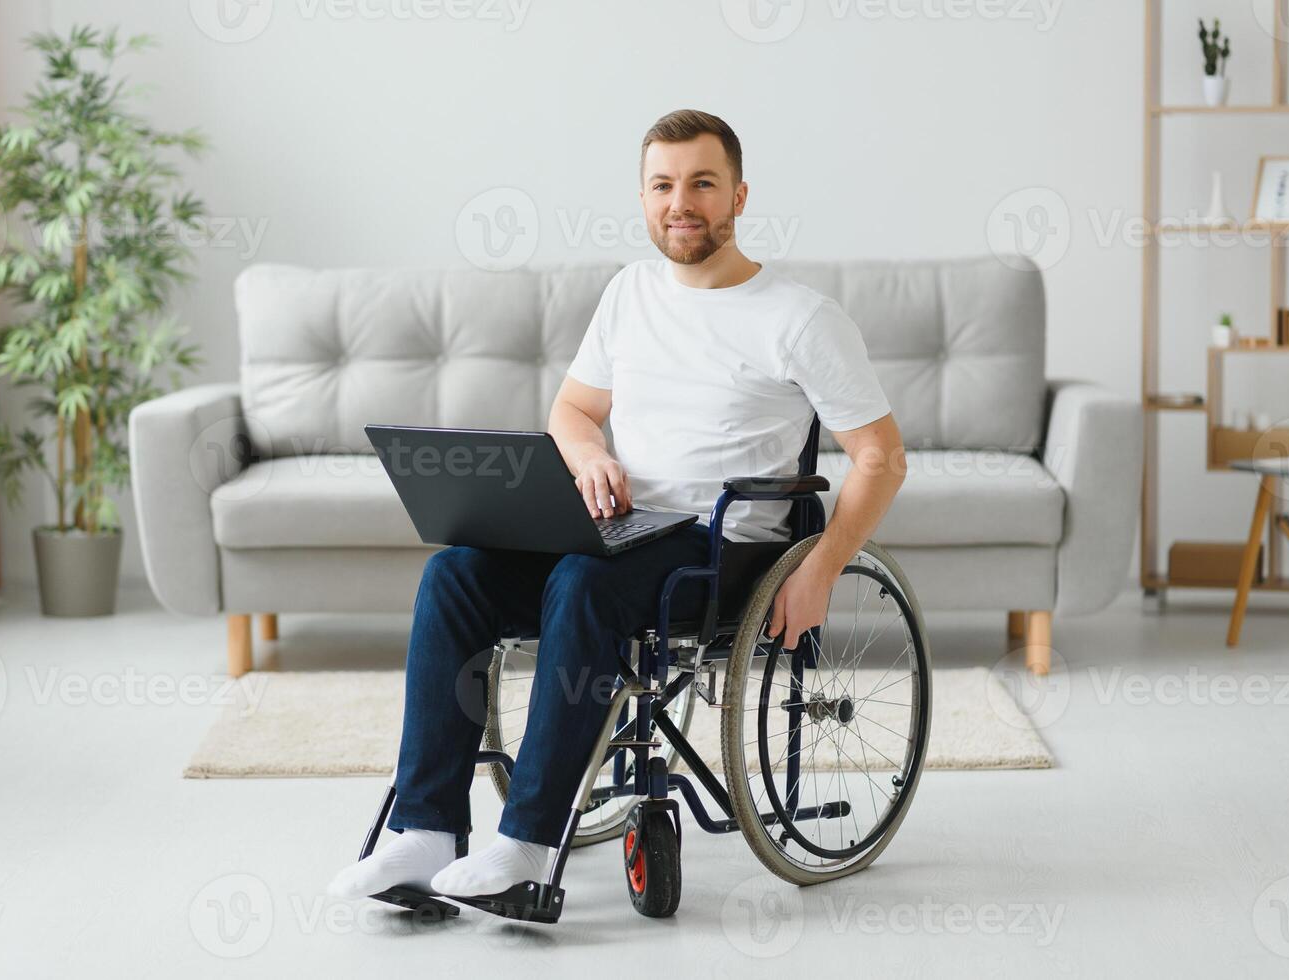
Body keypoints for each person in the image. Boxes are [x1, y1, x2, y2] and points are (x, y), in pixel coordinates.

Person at [328, 109, 906, 901]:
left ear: (739, 195)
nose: (681, 203)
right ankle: (425, 832)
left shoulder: (799, 318)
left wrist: (822, 569)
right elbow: (571, 411)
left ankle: (525, 849)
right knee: (455, 574)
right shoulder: (630, 293)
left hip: (720, 552)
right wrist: (591, 454)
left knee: (583, 584)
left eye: (702, 183)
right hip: (614, 531)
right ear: (642, 197)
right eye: (662, 185)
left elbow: (880, 457)